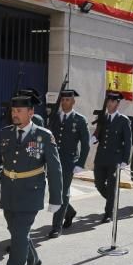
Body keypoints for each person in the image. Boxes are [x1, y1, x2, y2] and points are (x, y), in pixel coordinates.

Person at [0, 92, 62, 265]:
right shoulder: (5, 133)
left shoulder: (44, 136)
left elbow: (54, 169)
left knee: (18, 238)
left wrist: (56, 198)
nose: (14, 114)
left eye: (19, 111)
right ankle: (33, 260)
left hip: (30, 193)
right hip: (9, 191)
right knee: (17, 233)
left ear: (31, 112)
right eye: (13, 110)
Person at [47, 88, 89, 237]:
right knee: (54, 191)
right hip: (53, 161)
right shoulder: (54, 117)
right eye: (63, 100)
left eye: (67, 100)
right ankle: (69, 212)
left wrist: (80, 163)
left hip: (69, 162)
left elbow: (85, 144)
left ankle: (56, 227)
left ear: (73, 101)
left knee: (62, 193)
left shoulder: (79, 120)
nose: (64, 103)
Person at [92, 91, 132, 223]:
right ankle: (112, 200)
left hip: (115, 159)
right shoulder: (103, 118)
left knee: (111, 186)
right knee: (98, 183)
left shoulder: (123, 120)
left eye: (112, 101)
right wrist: (93, 138)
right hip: (101, 157)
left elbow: (127, 141)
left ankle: (108, 212)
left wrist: (125, 160)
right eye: (108, 101)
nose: (109, 104)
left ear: (117, 103)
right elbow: (98, 134)